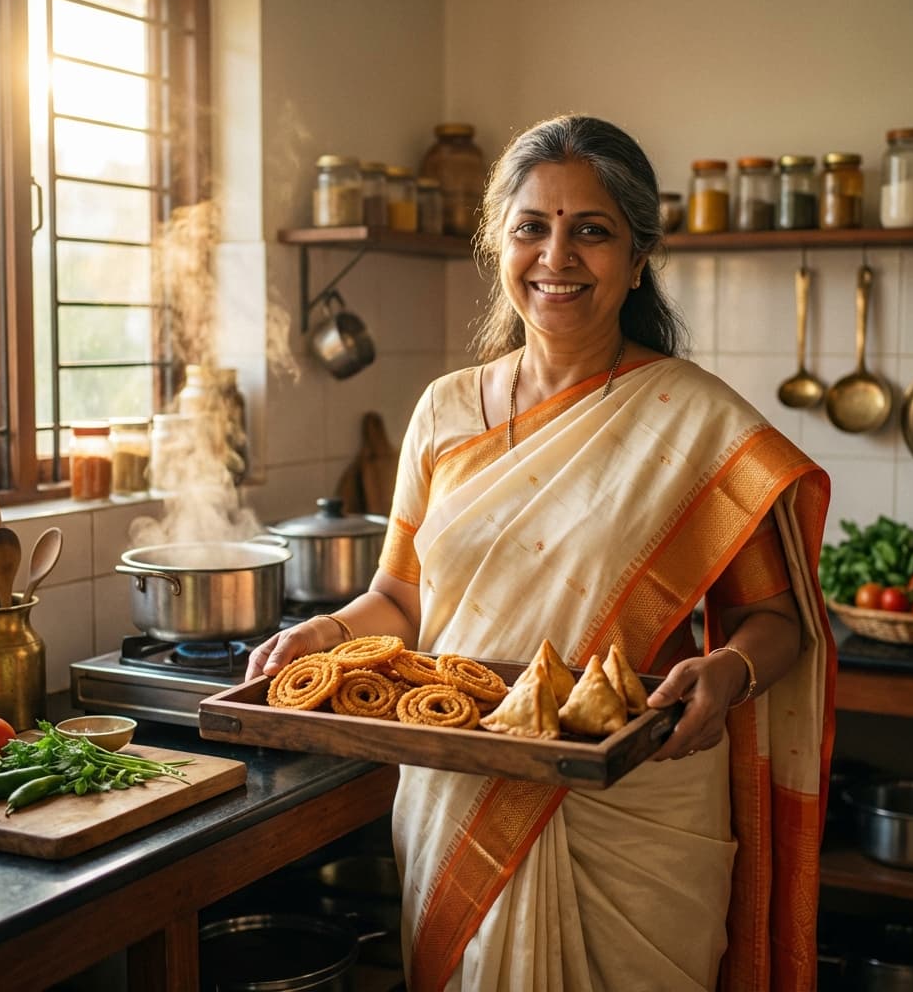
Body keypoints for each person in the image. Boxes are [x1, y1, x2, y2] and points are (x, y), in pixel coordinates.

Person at [248, 114, 836, 992]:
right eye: (532, 227)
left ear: (637, 258)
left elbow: (774, 621)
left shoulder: (694, 419)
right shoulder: (444, 411)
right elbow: (400, 603)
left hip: (635, 805)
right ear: (500, 244)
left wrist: (730, 672)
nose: (556, 256)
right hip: (459, 786)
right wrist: (327, 634)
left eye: (591, 230)